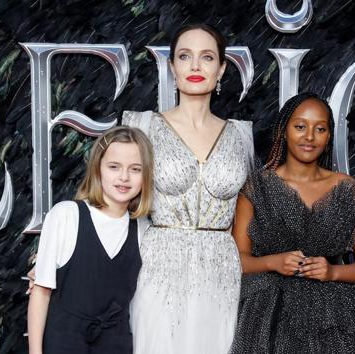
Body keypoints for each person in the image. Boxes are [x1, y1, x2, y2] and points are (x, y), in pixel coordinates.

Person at [122, 23, 253, 354]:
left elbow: (249, 218)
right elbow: (110, 202)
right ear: (172, 67)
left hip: (222, 274)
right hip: (157, 269)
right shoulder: (141, 125)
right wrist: (64, 255)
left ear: (222, 68)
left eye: (207, 57)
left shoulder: (241, 135)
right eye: (185, 56)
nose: (195, 66)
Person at [230, 92, 355, 354]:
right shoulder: (256, 187)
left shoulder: (347, 189)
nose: (309, 137)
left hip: (338, 317)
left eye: (320, 129)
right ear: (284, 131)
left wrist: (332, 272)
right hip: (268, 320)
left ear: (328, 137)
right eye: (300, 127)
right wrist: (273, 262)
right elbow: (236, 260)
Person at [27, 126, 153, 354]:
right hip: (64, 341)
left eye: (135, 169)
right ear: (98, 169)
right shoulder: (66, 215)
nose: (124, 177)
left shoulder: (144, 231)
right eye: (114, 167)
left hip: (116, 344)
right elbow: (41, 291)